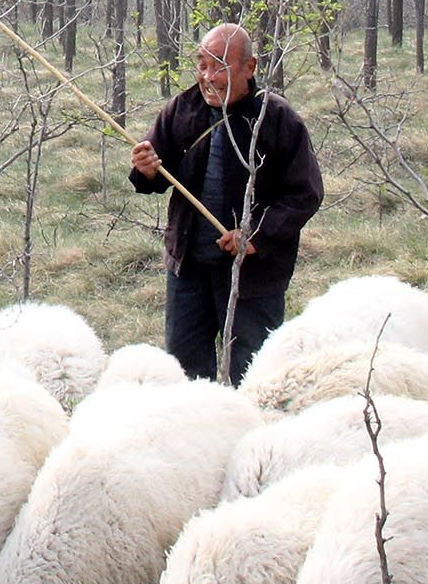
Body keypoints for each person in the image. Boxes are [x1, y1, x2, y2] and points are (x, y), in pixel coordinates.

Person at [127, 24, 325, 384]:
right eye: (202, 65)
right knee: (185, 374)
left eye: (219, 66)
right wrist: (145, 169)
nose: (208, 77)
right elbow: (152, 176)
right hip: (188, 269)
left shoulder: (277, 119)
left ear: (250, 67)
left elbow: (304, 194)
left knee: (253, 376)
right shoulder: (181, 109)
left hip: (254, 277)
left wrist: (255, 236)